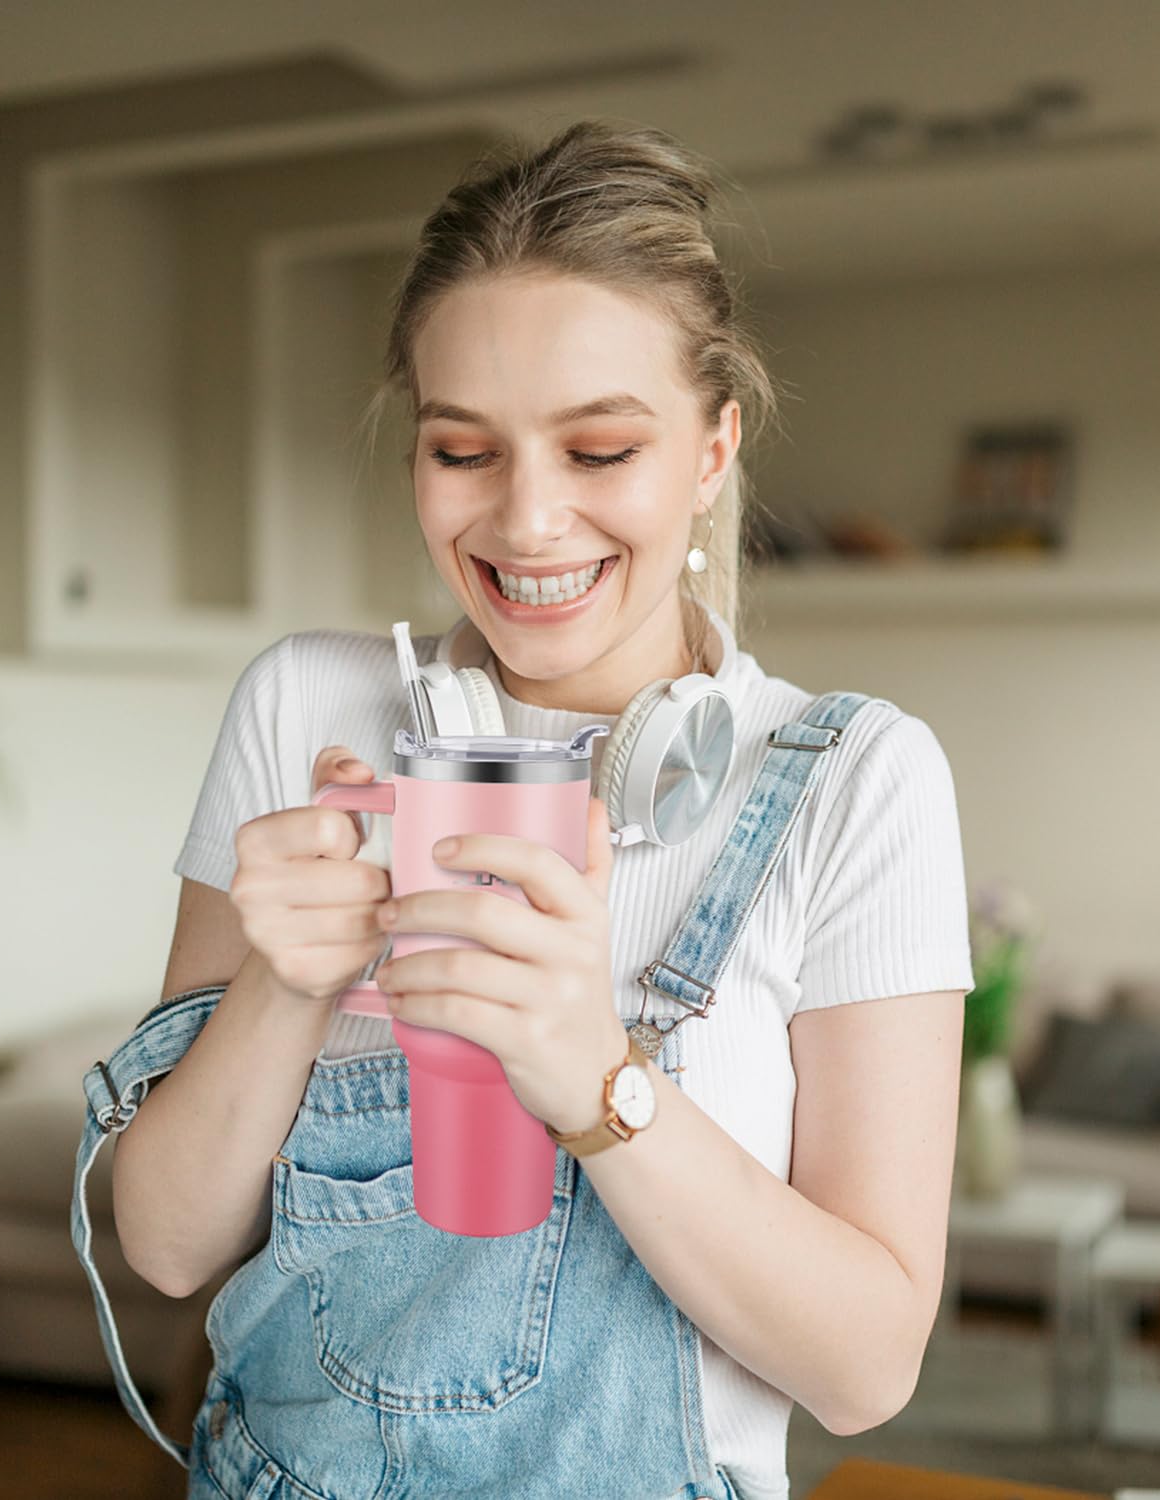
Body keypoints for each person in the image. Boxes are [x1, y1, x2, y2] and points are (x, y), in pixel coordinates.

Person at [99, 118, 975, 1500]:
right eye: (465, 451)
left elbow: (867, 1369)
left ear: (711, 450)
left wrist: (594, 1077)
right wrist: (286, 981)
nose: (526, 521)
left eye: (601, 449)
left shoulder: (856, 780)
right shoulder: (305, 711)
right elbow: (163, 1244)